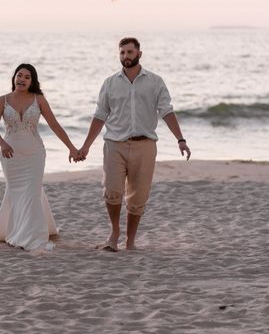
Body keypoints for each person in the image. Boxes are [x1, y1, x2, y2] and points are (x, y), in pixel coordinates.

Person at [79, 37, 191, 251]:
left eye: (130, 52)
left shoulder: (155, 82)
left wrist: (181, 139)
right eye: (122, 53)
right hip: (114, 145)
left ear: (139, 54)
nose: (126, 56)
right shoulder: (110, 83)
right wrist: (86, 146)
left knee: (138, 196)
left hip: (145, 145)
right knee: (111, 190)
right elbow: (100, 116)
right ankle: (114, 233)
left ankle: (130, 241)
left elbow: (167, 111)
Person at [0, 63, 82, 251]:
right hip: (11, 155)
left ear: (32, 81)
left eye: (27, 77)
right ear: (14, 78)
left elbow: (54, 125)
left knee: (31, 192)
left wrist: (72, 147)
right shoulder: (2, 100)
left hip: (34, 154)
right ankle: (14, 229)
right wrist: (2, 143)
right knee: (15, 192)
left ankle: (33, 236)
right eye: (19, 75)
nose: (22, 79)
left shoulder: (39, 100)